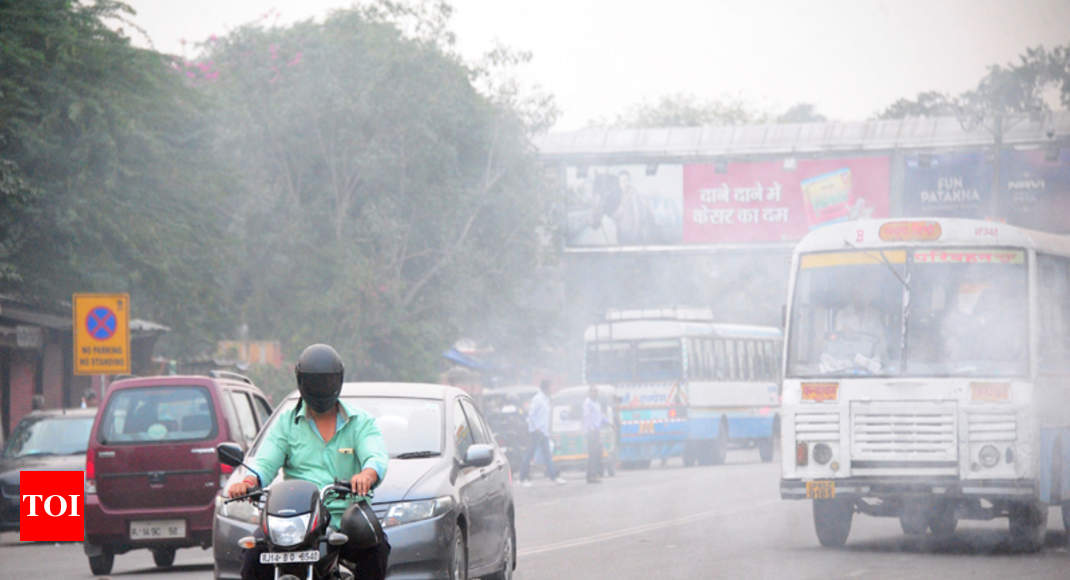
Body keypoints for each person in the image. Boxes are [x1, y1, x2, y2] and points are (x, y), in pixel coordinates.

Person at [227, 344, 390, 580]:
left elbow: (375, 456)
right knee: (253, 557)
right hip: (295, 522)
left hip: (343, 517)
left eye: (327, 382)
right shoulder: (286, 424)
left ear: (339, 381)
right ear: (301, 382)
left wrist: (367, 475)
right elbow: (265, 463)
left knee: (375, 549)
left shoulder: (360, 422)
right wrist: (250, 481)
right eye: (314, 382)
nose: (321, 389)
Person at [517, 379, 566, 486]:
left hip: (544, 432)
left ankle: (553, 477)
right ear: (546, 388)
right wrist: (536, 428)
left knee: (547, 455)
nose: (552, 389)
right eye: (550, 387)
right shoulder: (538, 399)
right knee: (529, 455)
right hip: (536, 432)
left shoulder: (546, 399)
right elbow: (531, 415)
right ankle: (522, 478)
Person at [582, 385, 608, 484]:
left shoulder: (597, 403)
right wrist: (591, 429)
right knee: (593, 454)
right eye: (593, 391)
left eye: (596, 392)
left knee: (596, 454)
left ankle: (593, 475)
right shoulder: (587, 403)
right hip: (591, 432)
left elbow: (601, 415)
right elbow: (587, 417)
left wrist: (608, 422)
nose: (595, 393)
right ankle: (591, 476)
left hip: (596, 431)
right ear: (589, 393)